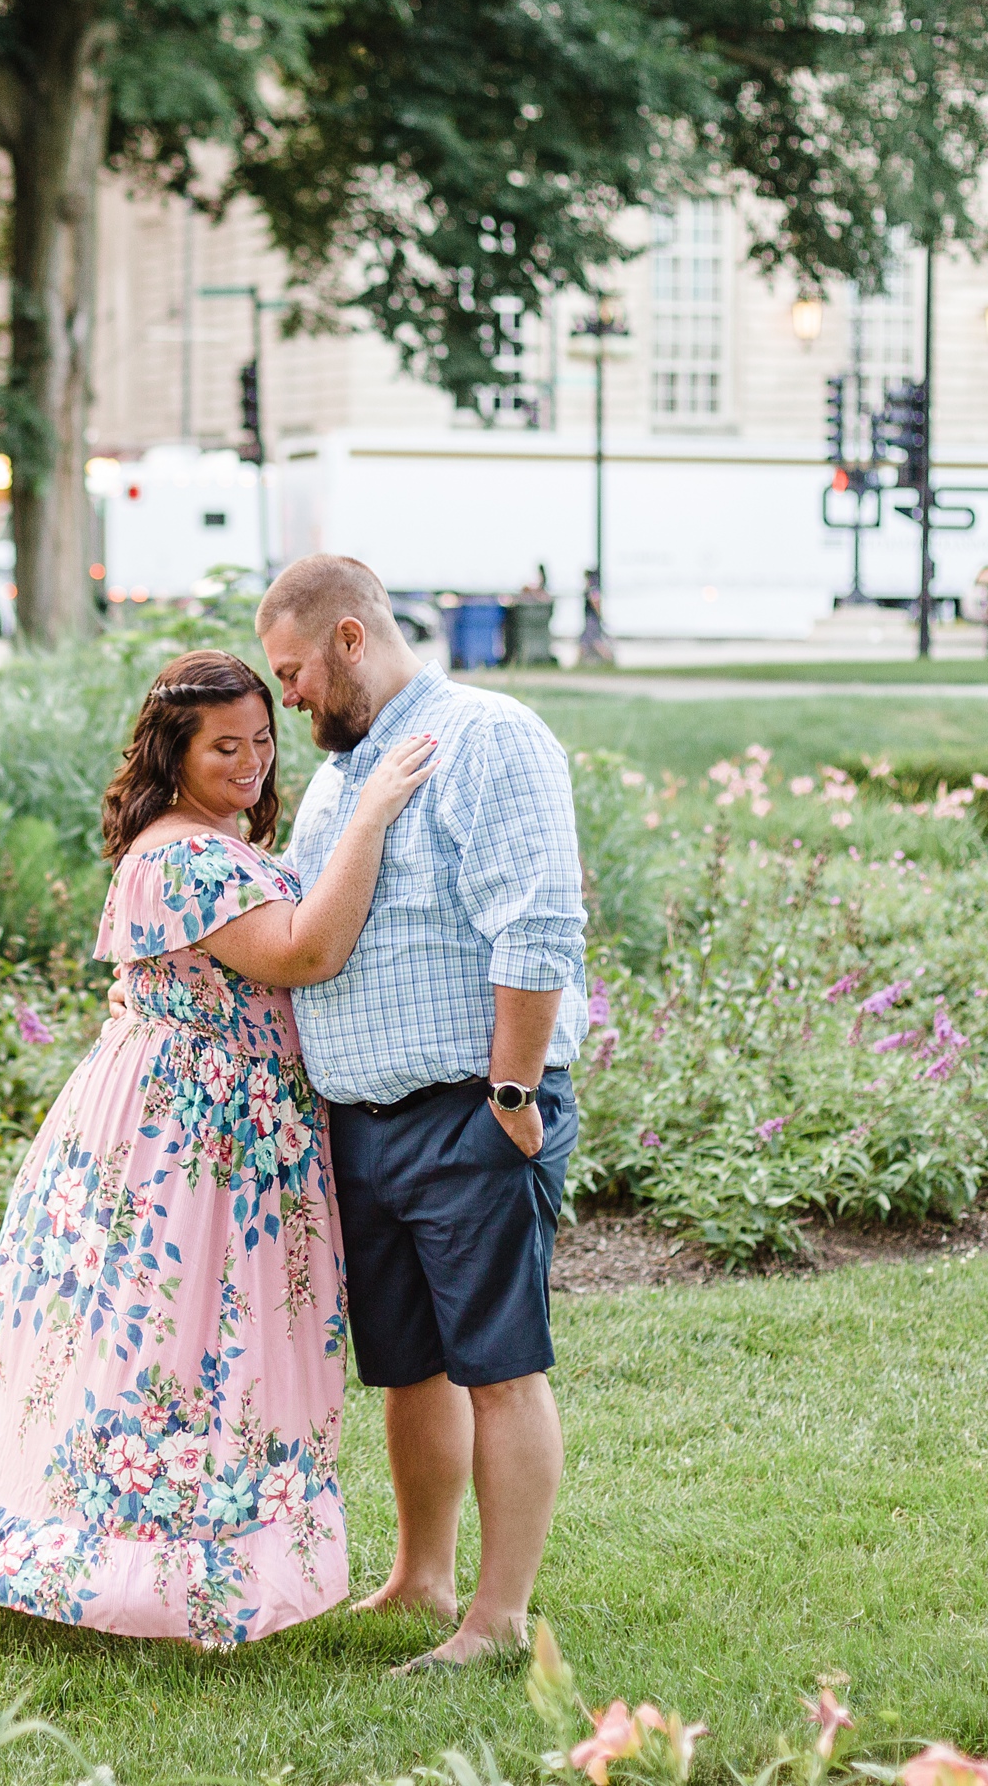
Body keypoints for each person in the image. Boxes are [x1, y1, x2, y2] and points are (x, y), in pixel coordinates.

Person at [0, 649, 438, 1650]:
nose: (251, 764)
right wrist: (367, 817)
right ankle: (138, 1572)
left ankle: (206, 1563)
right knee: (169, 1348)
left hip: (236, 1127)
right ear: (170, 753)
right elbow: (303, 953)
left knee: (213, 1351)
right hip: (185, 1140)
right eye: (223, 746)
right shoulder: (175, 854)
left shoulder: (210, 840)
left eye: (263, 741)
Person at [254, 554, 587, 1677]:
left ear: (350, 638)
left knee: (496, 1364)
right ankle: (421, 1576)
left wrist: (508, 1092)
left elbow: (537, 924)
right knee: (409, 1369)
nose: (285, 695)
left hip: (470, 1110)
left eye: (293, 671)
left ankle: (497, 1620)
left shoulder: (487, 737)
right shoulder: (339, 776)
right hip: (364, 1121)